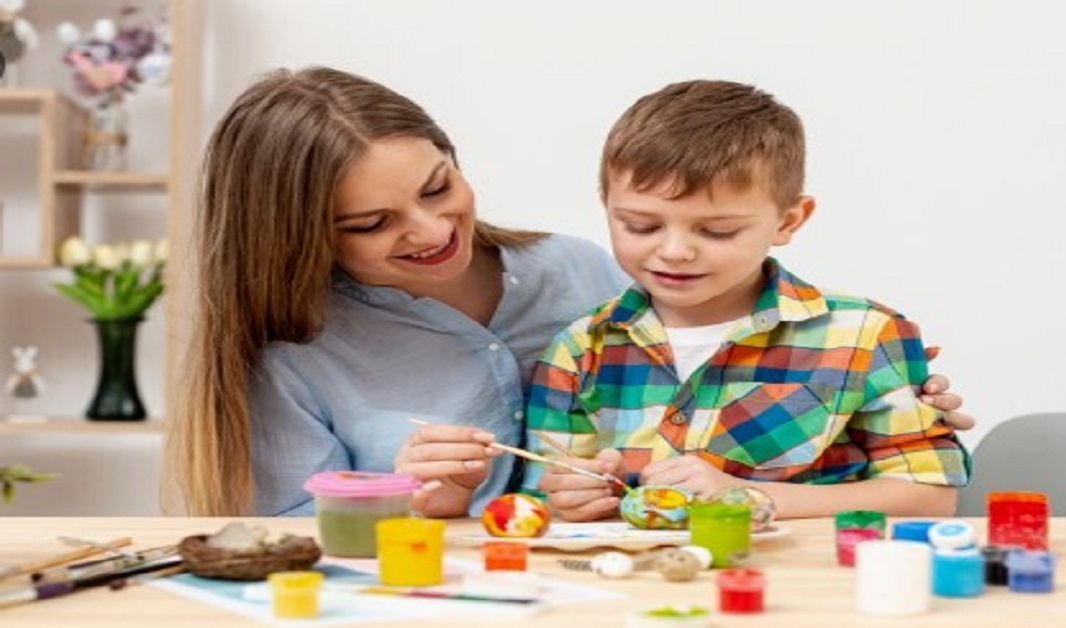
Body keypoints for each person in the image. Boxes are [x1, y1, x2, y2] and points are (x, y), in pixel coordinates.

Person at [167, 67, 971, 518]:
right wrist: (419, 503)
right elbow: (288, 547)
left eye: (438, 186)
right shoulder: (295, 352)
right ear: (302, 236)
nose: (429, 229)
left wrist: (882, 390)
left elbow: (737, 355)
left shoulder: (583, 274)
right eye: (373, 223)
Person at [524, 79, 970, 521]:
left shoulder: (864, 335)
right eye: (642, 226)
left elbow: (929, 496)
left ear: (788, 221)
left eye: (717, 232)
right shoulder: (579, 350)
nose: (675, 251)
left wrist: (749, 496)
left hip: (801, 567)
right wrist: (571, 499)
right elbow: (540, 502)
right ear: (606, 205)